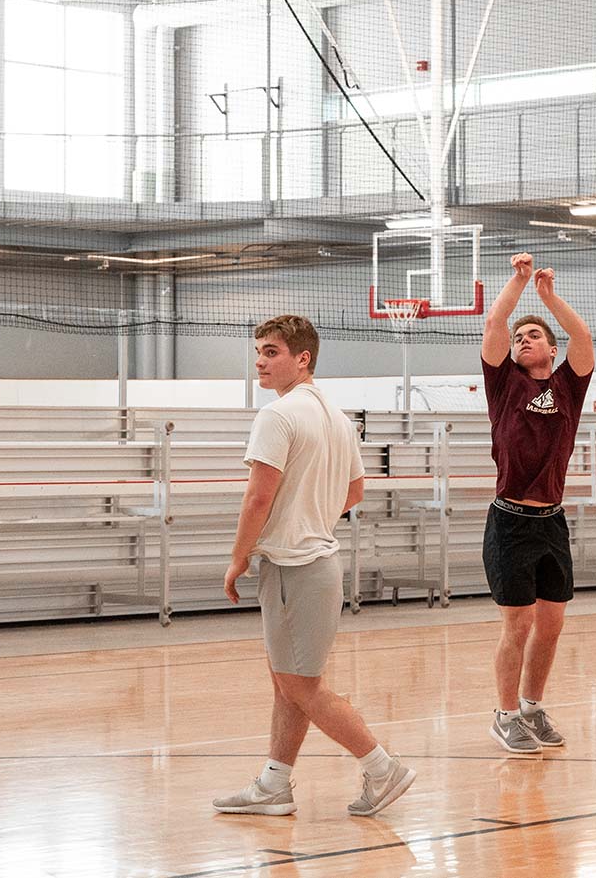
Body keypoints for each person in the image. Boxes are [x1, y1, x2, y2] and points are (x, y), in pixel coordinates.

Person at [213, 315, 416, 817]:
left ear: (302, 358)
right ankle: (274, 784)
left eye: (271, 351)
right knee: (289, 681)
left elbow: (258, 497)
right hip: (319, 561)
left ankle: (381, 767)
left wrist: (239, 557)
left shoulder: (278, 416)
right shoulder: (336, 416)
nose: (259, 360)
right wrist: (311, 515)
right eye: (258, 351)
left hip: (293, 567)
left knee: (303, 686)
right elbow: (355, 491)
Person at [481, 254, 594, 753]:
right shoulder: (504, 382)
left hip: (552, 521)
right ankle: (505, 715)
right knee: (519, 624)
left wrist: (548, 298)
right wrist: (520, 281)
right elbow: (496, 322)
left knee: (551, 624)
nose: (524, 340)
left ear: (551, 348)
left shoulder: (569, 385)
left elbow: (584, 339)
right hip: (510, 521)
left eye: (534, 335)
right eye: (520, 337)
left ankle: (532, 707)